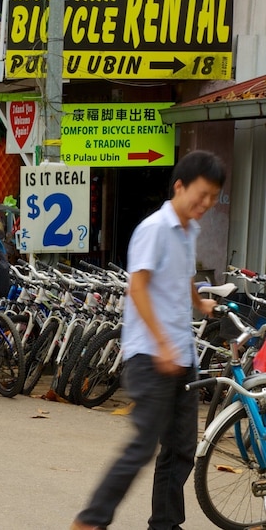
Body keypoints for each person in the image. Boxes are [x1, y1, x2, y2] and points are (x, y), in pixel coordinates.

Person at [71, 151, 225, 530]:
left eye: (213, 197)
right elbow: (137, 288)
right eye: (201, 194)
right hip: (150, 354)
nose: (205, 204)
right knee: (143, 445)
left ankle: (165, 524)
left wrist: (198, 302)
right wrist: (164, 343)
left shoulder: (190, 230)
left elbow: (183, 275)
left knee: (182, 448)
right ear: (179, 186)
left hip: (181, 354)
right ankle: (91, 520)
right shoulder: (154, 228)